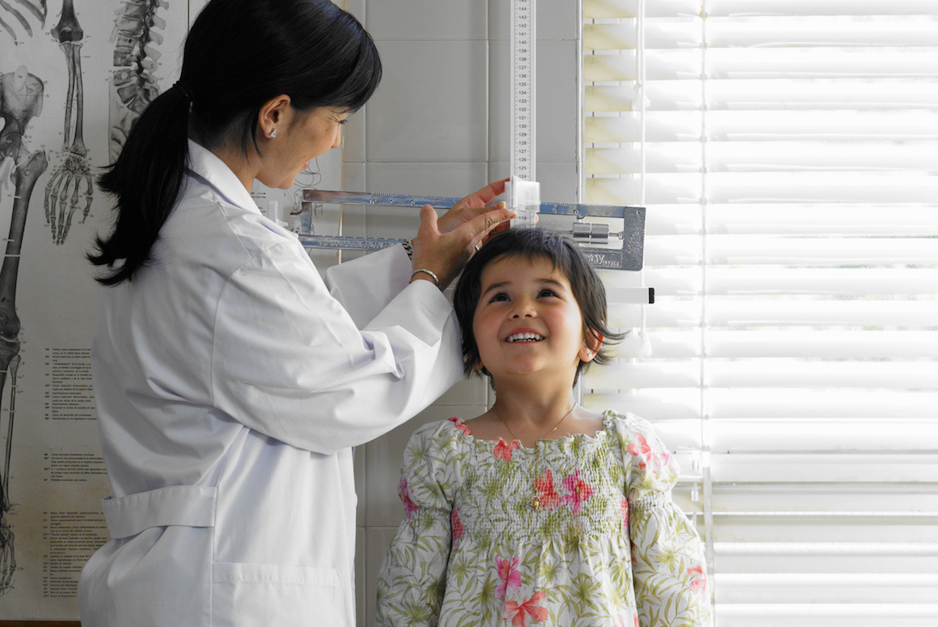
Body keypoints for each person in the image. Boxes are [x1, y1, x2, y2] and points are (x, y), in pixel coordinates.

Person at [76, 1, 514, 626]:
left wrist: (420, 260)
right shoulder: (233, 249)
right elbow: (346, 389)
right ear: (275, 113)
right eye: (336, 118)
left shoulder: (189, 224)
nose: (336, 139)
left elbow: (295, 328)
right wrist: (432, 282)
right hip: (216, 596)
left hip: (173, 582)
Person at [375, 229, 712, 627]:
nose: (521, 308)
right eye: (499, 297)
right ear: (473, 350)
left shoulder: (627, 447)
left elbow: (673, 593)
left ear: (590, 339)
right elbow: (409, 595)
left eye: (547, 293)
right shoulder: (444, 453)